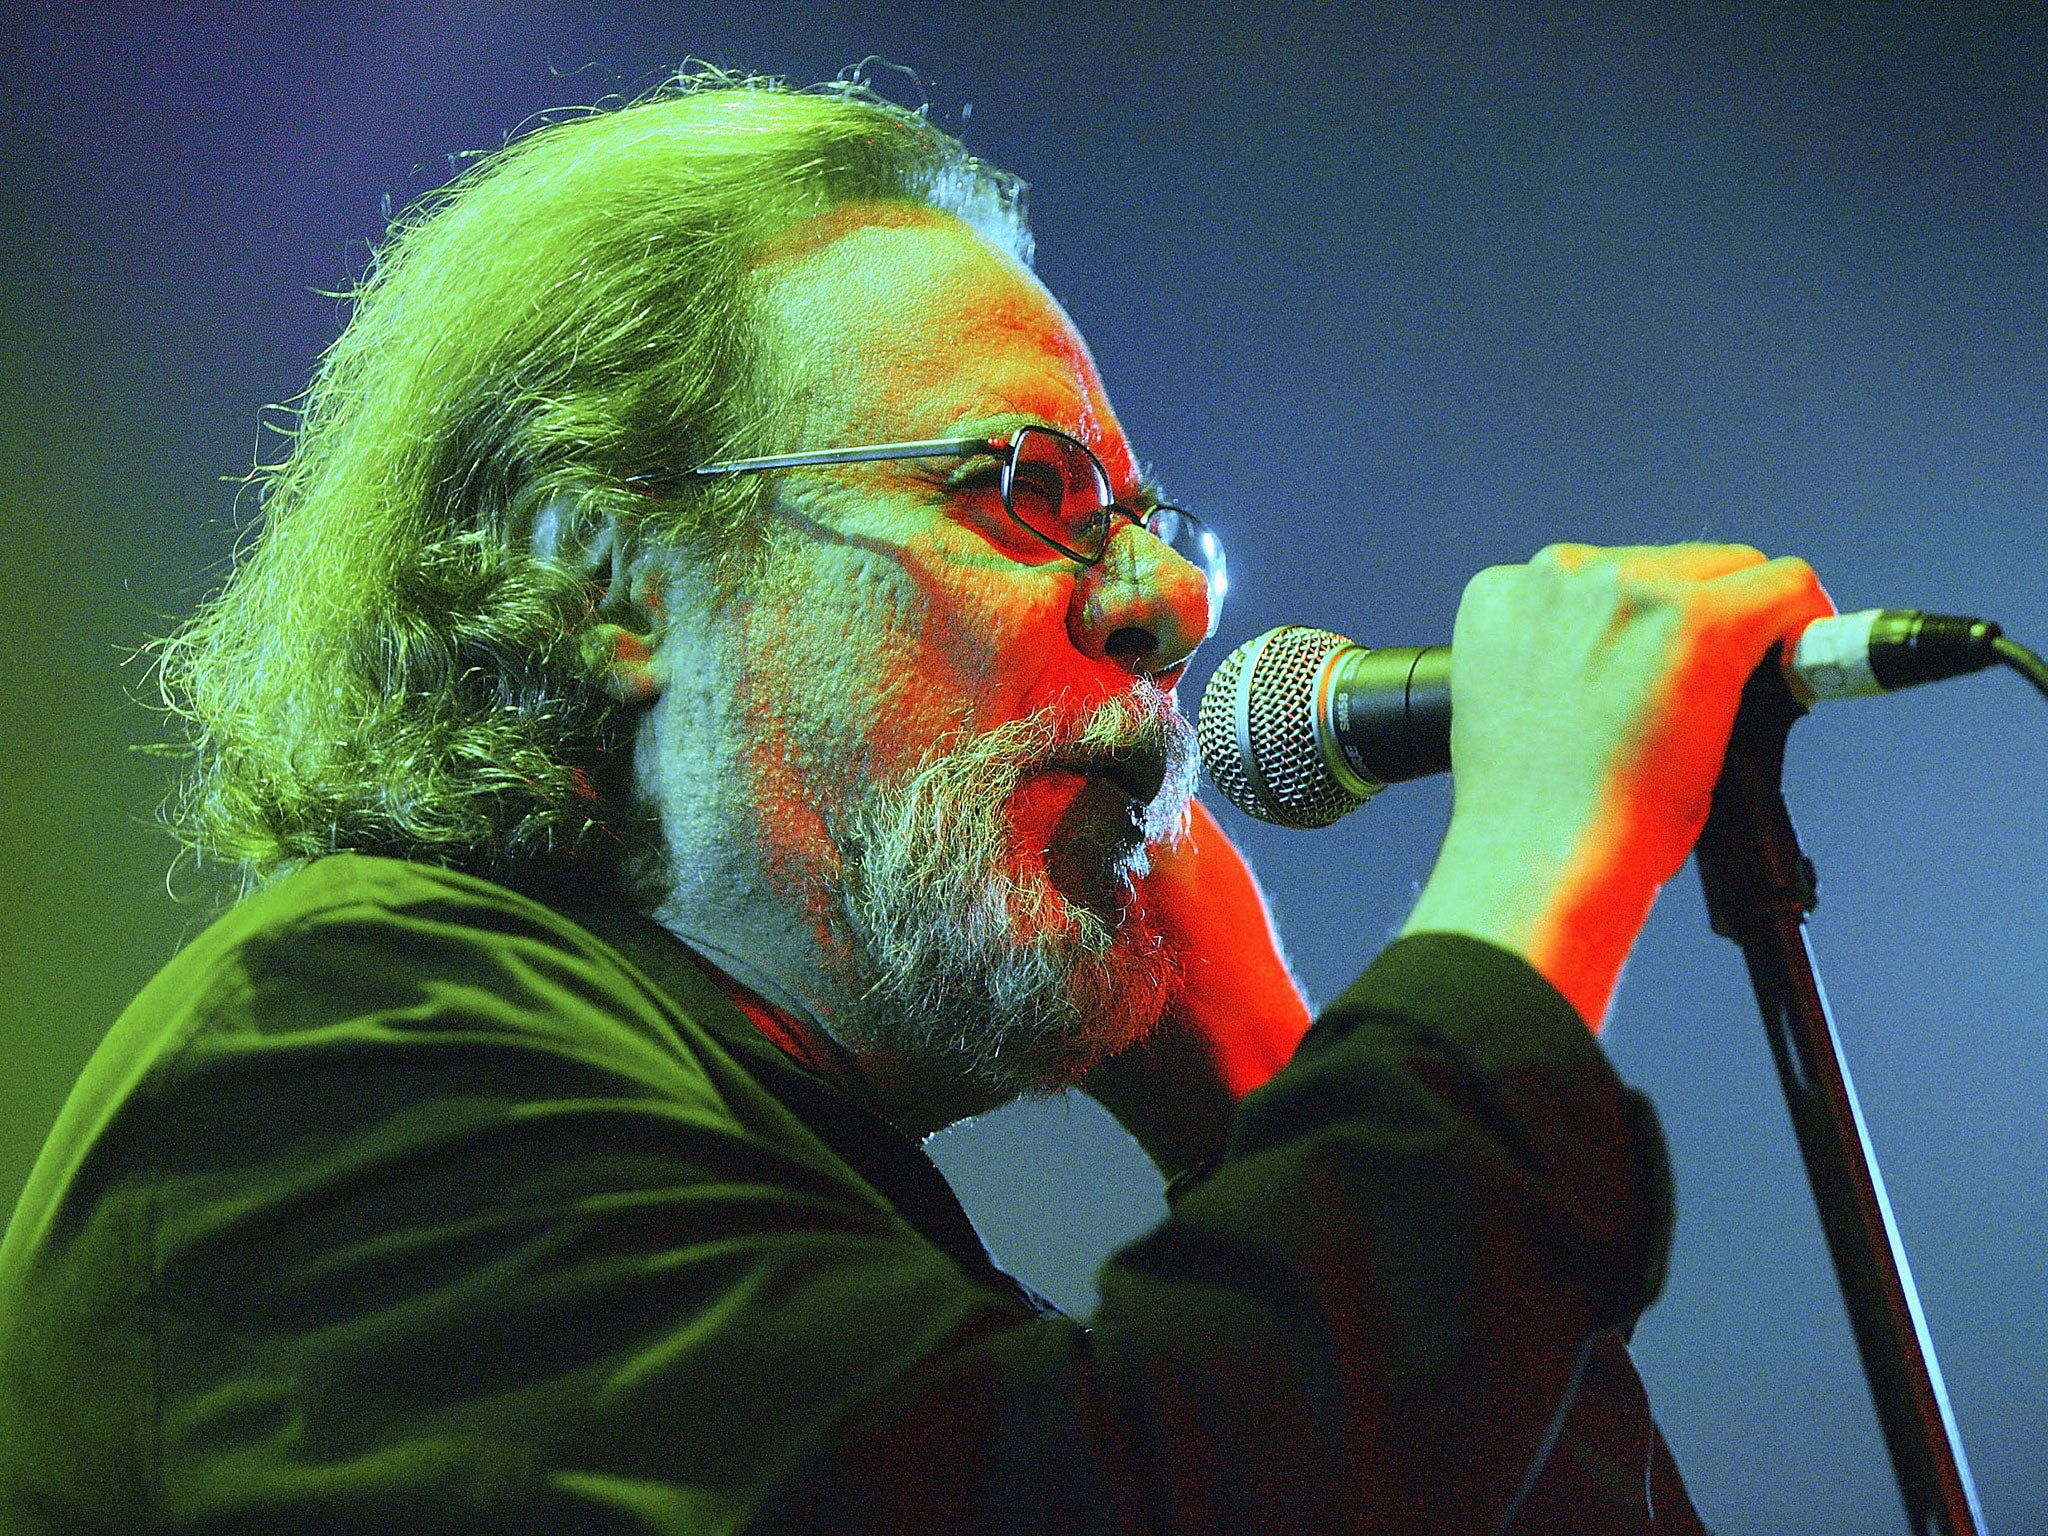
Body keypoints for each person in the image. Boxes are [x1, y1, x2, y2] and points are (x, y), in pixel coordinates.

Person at [0, 73, 1832, 1534]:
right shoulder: (337, 1065)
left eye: (1142, 518)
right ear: (611, 581)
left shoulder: (822, 1216)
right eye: (1028, 484)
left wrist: (1266, 1080)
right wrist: (1531, 885)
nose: (1170, 606)